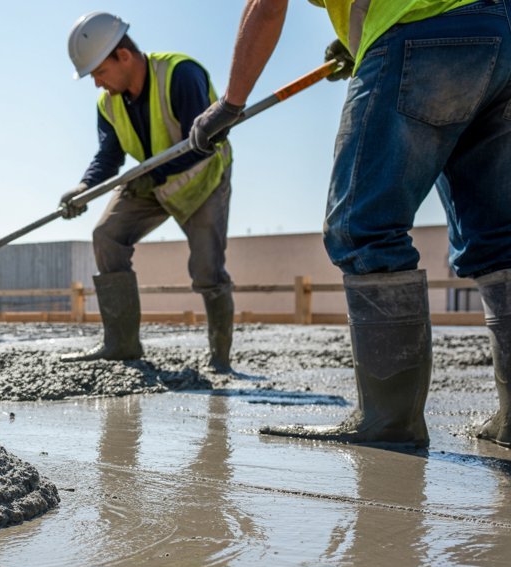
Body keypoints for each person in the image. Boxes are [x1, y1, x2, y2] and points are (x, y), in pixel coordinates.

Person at [190, 0, 511, 449]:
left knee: (363, 228)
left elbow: (267, 6)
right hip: (498, 32)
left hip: (419, 28)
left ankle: (388, 423)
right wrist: (351, 42)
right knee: (500, 238)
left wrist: (230, 102)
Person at [58, 12, 236, 372]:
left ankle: (220, 359)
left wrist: (150, 174)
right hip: (150, 182)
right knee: (107, 235)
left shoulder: (181, 74)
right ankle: (121, 344)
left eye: (99, 72)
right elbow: (109, 156)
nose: (96, 84)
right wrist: (84, 187)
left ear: (123, 56)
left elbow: (198, 145)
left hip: (201, 181)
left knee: (207, 269)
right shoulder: (108, 103)